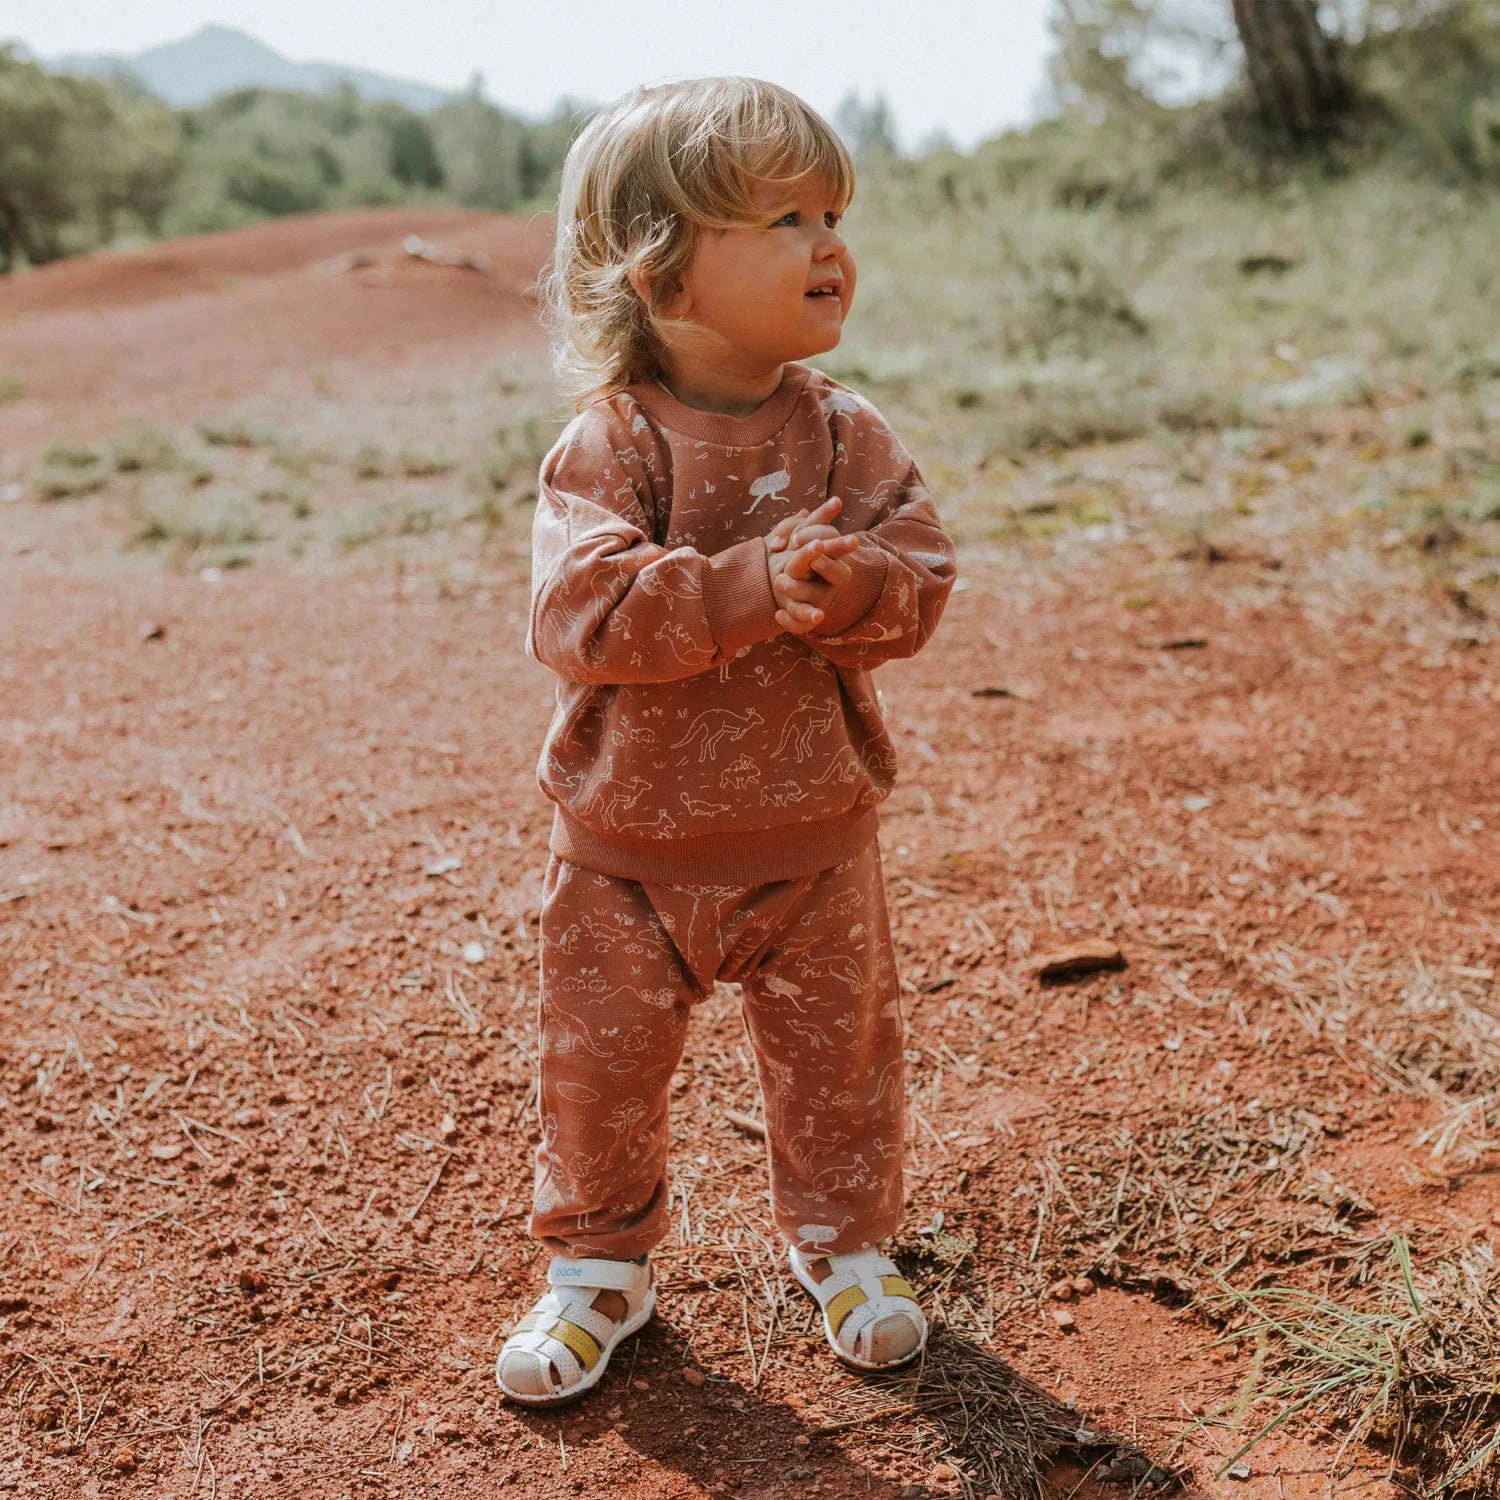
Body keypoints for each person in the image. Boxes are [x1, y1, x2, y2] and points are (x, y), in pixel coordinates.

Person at [495, 76, 958, 1407]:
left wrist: (861, 592)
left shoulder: (845, 433)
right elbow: (579, 614)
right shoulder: (611, 444)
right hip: (626, 849)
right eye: (783, 219)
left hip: (814, 839)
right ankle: (598, 1272)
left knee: (840, 1065)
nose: (829, 244)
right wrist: (755, 584)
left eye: (833, 212)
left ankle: (846, 1248)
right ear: (664, 279)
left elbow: (921, 577)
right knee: (599, 1073)